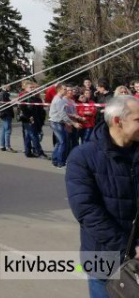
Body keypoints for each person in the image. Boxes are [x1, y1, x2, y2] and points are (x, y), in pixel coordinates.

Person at [66, 96, 139, 298]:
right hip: (104, 260)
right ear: (117, 121)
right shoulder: (82, 157)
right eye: (138, 120)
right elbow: (87, 212)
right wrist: (130, 248)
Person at [50, 84, 76, 167]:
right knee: (63, 142)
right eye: (65, 89)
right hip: (56, 122)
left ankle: (55, 159)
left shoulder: (60, 99)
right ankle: (60, 162)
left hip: (58, 122)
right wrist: (73, 123)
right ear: (59, 90)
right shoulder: (59, 100)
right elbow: (63, 114)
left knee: (59, 142)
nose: (66, 90)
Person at [0, 86, 16, 152]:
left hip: (4, 114)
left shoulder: (2, 94)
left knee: (4, 130)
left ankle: (2, 145)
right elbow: (5, 104)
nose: (10, 88)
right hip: (6, 114)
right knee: (8, 130)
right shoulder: (3, 94)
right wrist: (12, 102)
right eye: (9, 87)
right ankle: (8, 146)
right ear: (5, 88)